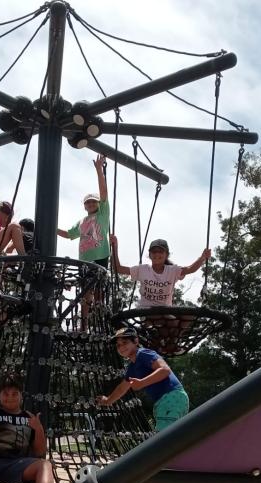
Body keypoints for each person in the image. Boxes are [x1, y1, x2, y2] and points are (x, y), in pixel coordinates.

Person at [96, 326, 189, 431]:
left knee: (163, 440)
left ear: (136, 341)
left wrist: (142, 382)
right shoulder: (132, 367)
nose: (121, 347)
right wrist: (108, 400)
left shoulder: (143, 353)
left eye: (125, 342)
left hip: (170, 397)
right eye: (118, 345)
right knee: (174, 437)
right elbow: (122, 388)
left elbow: (165, 370)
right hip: (169, 400)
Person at [56, 156, 109, 327]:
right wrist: (51, 227)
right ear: (84, 206)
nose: (91, 204)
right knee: (86, 293)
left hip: (100, 255)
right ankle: (84, 325)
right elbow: (68, 234)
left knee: (99, 290)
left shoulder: (102, 214)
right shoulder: (81, 222)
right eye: (88, 202)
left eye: (94, 201)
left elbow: (104, 192)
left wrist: (99, 170)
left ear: (99, 204)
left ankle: (100, 318)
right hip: (85, 260)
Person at [110, 235, 210, 308]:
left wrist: (202, 258)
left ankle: (171, 336)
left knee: (188, 317)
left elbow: (190, 269)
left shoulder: (172, 271)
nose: (157, 254)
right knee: (161, 323)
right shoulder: (142, 269)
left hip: (165, 311)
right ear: (150, 255)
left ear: (166, 255)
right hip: (146, 310)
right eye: (154, 251)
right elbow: (118, 268)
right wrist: (114, 247)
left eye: (160, 251)